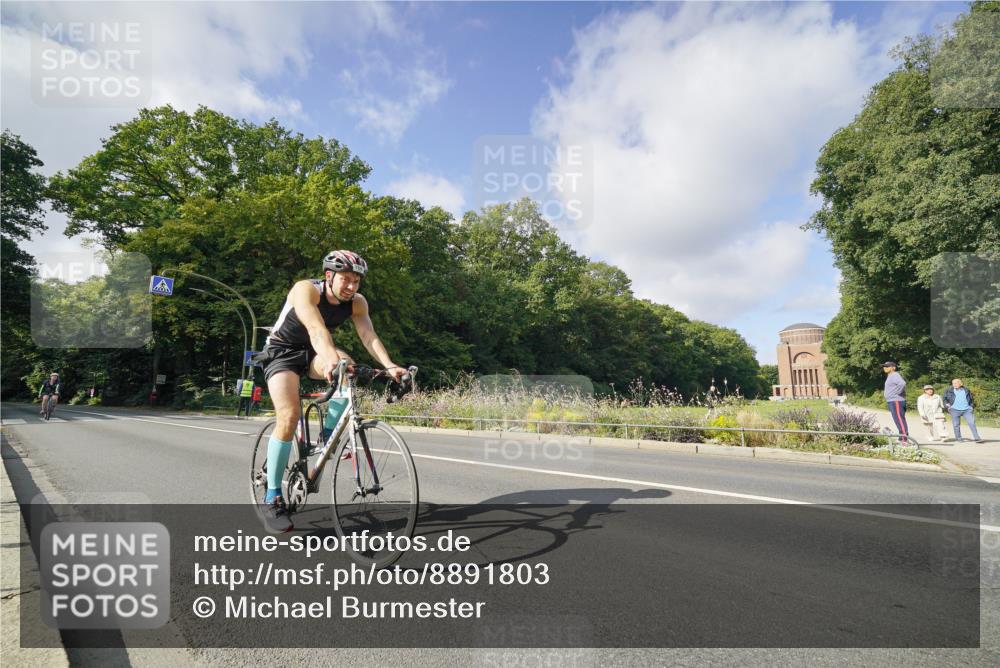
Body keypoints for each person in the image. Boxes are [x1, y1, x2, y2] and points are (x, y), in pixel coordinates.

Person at [256, 250, 406, 532]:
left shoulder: (357, 303)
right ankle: (272, 496)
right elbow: (315, 328)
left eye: (356, 281)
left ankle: (328, 436)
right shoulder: (306, 290)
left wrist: (389, 365)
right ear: (329, 275)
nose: (351, 286)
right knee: (288, 417)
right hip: (281, 353)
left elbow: (368, 335)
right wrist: (330, 360)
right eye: (346, 279)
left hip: (312, 352)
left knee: (348, 367)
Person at [943, 378, 984, 443]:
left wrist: (971, 407)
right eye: (953, 383)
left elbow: (971, 399)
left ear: (960, 383)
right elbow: (945, 399)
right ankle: (959, 439)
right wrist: (947, 406)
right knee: (956, 425)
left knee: (972, 423)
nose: (954, 384)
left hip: (967, 410)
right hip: (954, 410)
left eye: (956, 383)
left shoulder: (966, 390)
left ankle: (977, 438)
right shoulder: (948, 390)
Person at [882, 361, 909, 445]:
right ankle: (901, 438)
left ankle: (904, 439)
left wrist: (896, 393)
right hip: (892, 401)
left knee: (899, 420)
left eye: (887, 366)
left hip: (896, 400)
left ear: (893, 367)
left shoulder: (894, 375)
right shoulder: (890, 376)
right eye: (884, 366)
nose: (885, 368)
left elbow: (902, 383)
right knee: (898, 419)